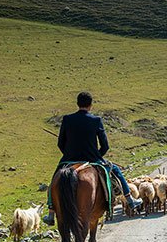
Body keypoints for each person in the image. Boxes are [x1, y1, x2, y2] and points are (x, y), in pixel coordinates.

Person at [42, 91, 142, 226]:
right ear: (90, 105)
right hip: (92, 159)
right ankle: (130, 200)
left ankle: (51, 212)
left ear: (77, 104)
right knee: (116, 171)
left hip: (69, 159)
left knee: (55, 178)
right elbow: (105, 145)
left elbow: (60, 143)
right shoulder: (96, 120)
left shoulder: (67, 119)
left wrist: (69, 154)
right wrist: (97, 155)